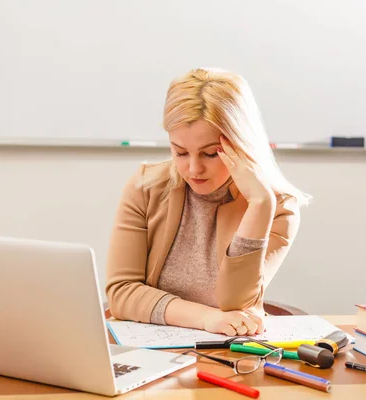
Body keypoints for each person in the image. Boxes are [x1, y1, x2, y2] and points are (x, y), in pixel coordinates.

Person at [105, 68, 310, 337]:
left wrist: (259, 205)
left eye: (211, 154)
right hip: (149, 349)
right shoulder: (147, 187)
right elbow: (121, 293)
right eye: (180, 152)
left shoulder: (278, 206)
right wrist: (205, 318)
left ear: (241, 145)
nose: (193, 169)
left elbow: (236, 304)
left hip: (231, 351)